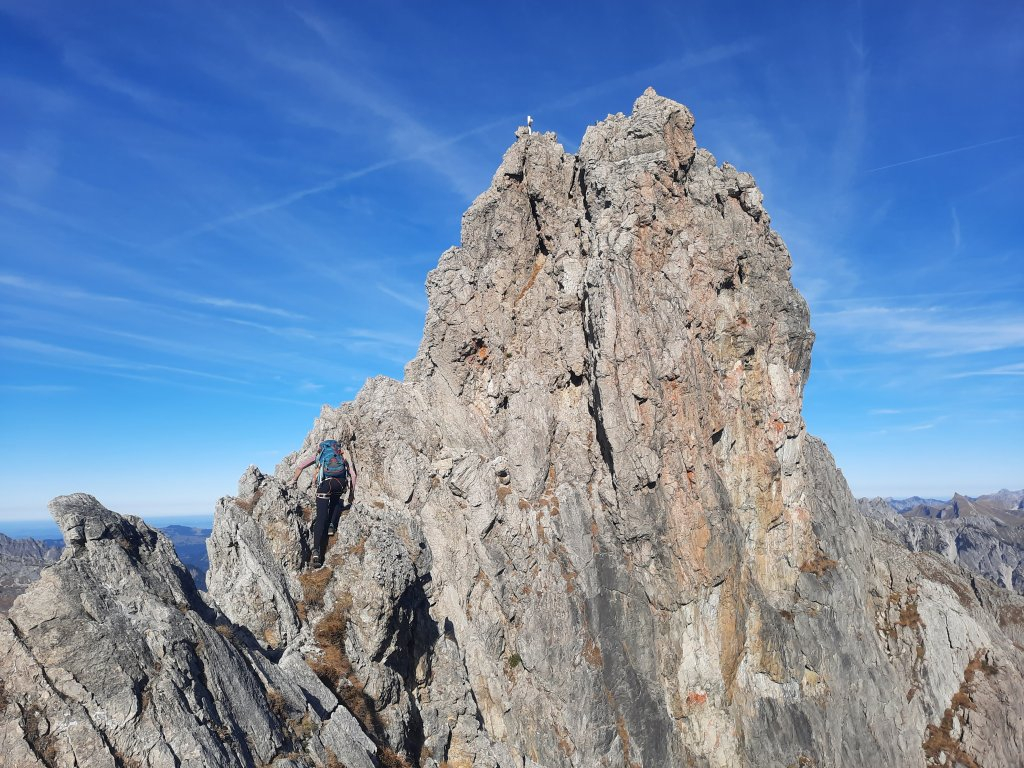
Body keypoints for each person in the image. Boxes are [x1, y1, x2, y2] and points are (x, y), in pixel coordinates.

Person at [291, 440, 356, 568]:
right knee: (337, 500)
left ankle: (316, 551)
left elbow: (300, 466)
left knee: (320, 518)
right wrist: (352, 493)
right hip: (340, 483)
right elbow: (353, 475)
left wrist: (294, 480)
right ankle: (331, 526)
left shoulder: (319, 456)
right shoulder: (342, 454)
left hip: (325, 485)